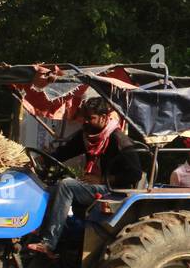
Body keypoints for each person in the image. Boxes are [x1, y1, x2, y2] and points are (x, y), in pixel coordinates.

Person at [27, 95, 143, 258]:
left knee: (66, 185)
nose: (85, 122)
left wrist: (102, 179)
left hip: (114, 191)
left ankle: (48, 243)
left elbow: (134, 173)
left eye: (90, 118)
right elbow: (63, 153)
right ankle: (40, 237)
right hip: (95, 185)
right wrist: (39, 160)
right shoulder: (87, 136)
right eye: (84, 118)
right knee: (50, 188)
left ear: (103, 117)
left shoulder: (119, 140)